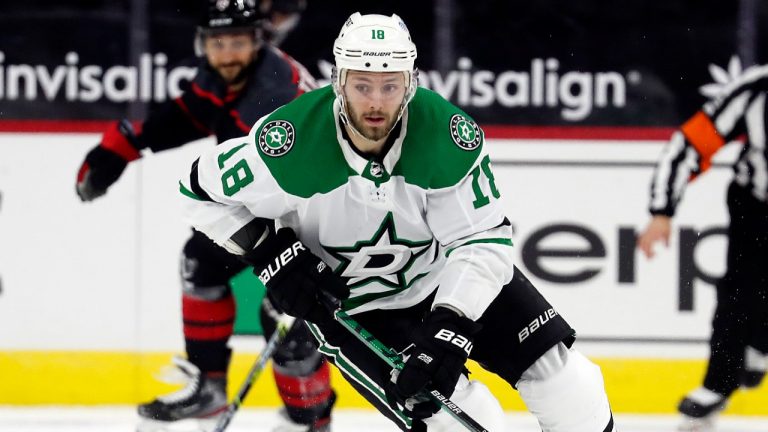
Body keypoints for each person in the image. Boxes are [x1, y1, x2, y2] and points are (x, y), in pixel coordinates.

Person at [180, 12, 617, 432]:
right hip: (357, 311)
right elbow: (196, 191)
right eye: (362, 84)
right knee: (462, 421)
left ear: (410, 85)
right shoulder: (290, 143)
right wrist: (268, 251)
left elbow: (481, 239)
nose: (375, 101)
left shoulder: (446, 135)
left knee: (571, 389)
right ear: (338, 83)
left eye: (390, 85)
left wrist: (454, 323)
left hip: (441, 277)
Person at [75, 1, 337, 431]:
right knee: (200, 260)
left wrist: (289, 261)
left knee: (290, 322)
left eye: (238, 42)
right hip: (266, 203)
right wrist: (121, 146)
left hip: (319, 219)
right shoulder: (227, 77)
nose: (228, 53)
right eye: (218, 43)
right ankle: (210, 389)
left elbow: (298, 182)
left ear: (258, 41)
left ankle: (309, 420)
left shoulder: (273, 95)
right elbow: (186, 115)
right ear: (203, 45)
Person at [637, 62, 768, 431]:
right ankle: (720, 381)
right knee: (739, 293)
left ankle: (759, 341)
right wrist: (662, 210)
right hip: (757, 207)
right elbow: (690, 144)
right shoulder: (755, 90)